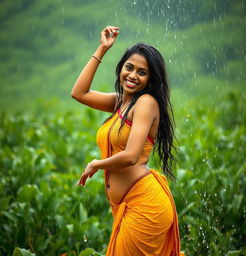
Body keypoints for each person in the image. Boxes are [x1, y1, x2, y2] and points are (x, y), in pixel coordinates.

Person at [71, 25, 183, 256]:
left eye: (142, 72)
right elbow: (79, 93)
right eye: (129, 68)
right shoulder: (119, 102)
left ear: (150, 79)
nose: (132, 75)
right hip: (124, 207)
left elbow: (132, 156)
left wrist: (96, 164)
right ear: (121, 68)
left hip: (145, 205)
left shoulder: (146, 103)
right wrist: (102, 49)